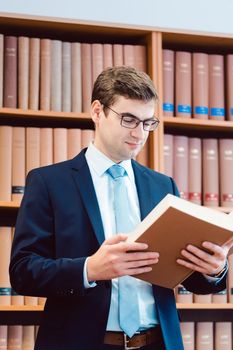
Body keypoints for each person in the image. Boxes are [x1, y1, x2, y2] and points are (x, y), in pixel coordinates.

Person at [10, 66, 231, 350]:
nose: (139, 133)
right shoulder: (48, 182)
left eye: (148, 122)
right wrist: (90, 269)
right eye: (128, 119)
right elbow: (23, 272)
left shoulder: (163, 185)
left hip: (158, 342)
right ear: (97, 112)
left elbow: (190, 279)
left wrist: (214, 269)